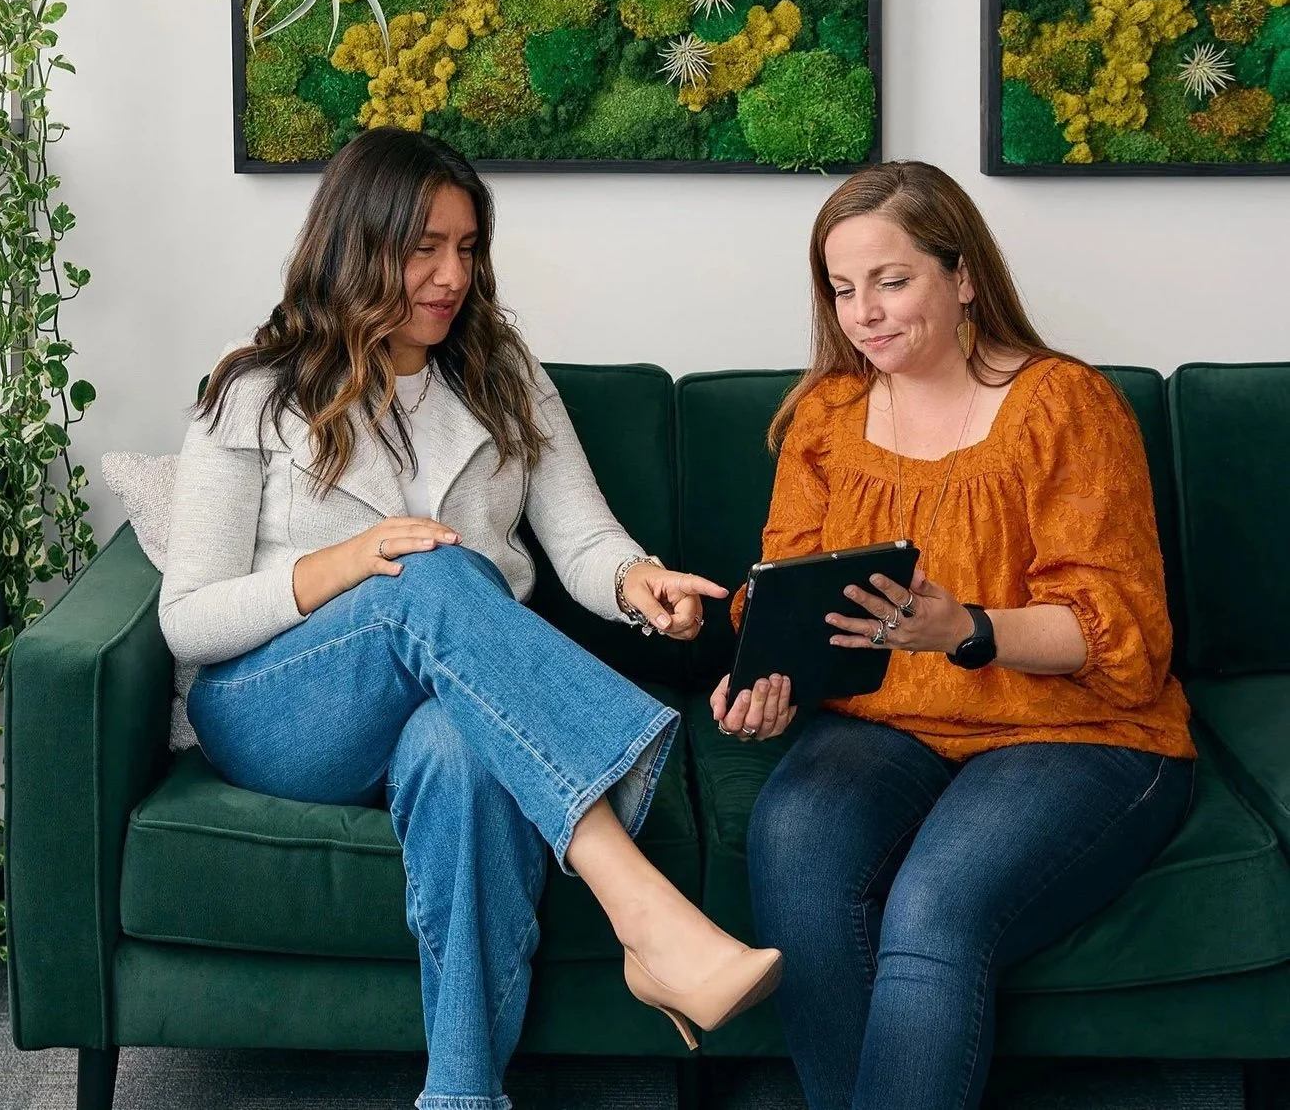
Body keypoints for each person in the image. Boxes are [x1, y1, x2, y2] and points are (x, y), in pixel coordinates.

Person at [160, 128, 780, 1110]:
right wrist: (346, 564)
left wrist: (637, 584)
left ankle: (461, 1094)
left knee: (461, 750)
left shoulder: (501, 374)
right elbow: (186, 621)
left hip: (447, 689)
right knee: (429, 565)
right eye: (423, 250)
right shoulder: (254, 390)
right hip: (279, 708)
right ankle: (642, 907)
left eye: (468, 247)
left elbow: (582, 542)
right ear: (356, 246)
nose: (452, 276)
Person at [710, 161, 1194, 1110]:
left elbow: (1122, 633)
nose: (865, 315)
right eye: (842, 290)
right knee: (795, 847)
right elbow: (785, 593)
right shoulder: (827, 417)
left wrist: (963, 628)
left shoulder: (1067, 405)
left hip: (1073, 729)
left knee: (935, 908)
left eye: (892, 282)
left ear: (963, 274)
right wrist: (767, 683)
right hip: (884, 722)